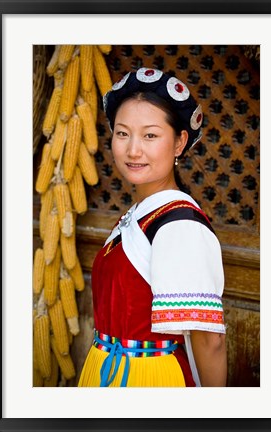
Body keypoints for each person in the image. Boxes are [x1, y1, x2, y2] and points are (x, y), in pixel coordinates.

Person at [78, 67, 227, 387]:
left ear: (179, 142)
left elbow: (209, 341)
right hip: (107, 369)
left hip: (149, 378)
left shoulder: (180, 226)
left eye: (150, 135)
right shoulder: (137, 216)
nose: (133, 149)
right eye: (122, 133)